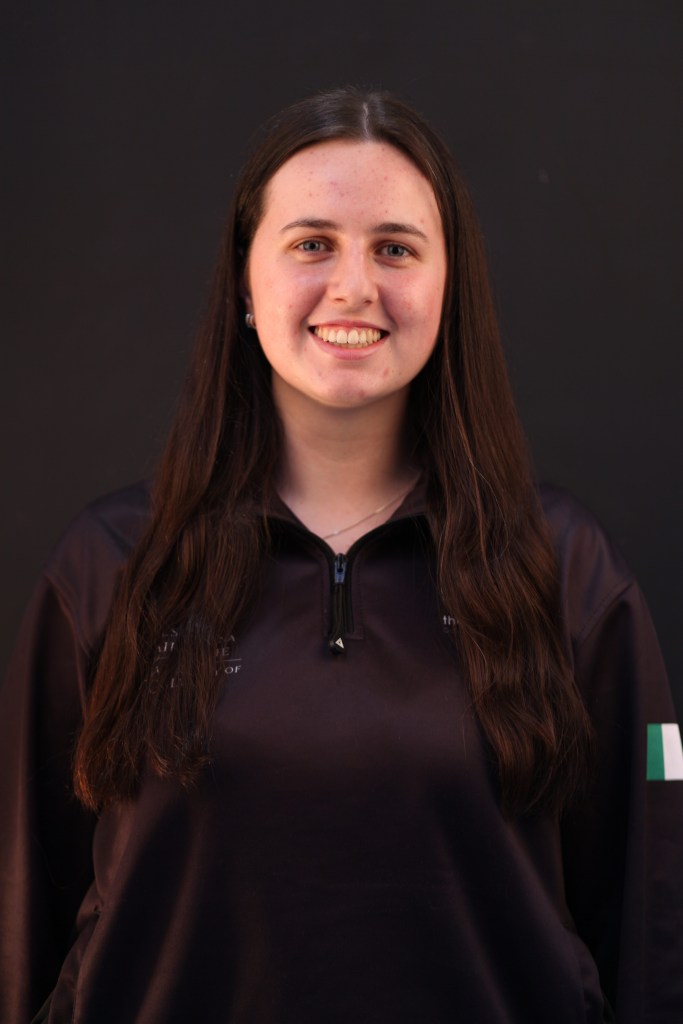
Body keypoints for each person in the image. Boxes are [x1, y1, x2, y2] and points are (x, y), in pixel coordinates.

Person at [1, 87, 681, 1024]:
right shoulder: (109, 567)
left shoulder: (567, 570)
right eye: (312, 244)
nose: (354, 287)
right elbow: (23, 911)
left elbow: (649, 907)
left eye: (395, 249)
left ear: (448, 286)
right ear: (246, 285)